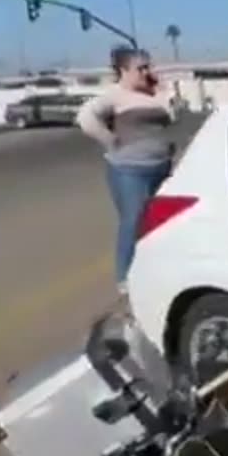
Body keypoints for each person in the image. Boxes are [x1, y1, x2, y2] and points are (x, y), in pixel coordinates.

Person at [75, 47, 174, 297]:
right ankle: (125, 277)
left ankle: (153, 269)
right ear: (124, 70)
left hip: (161, 166)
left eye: (148, 67)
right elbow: (85, 118)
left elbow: (171, 116)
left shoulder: (152, 93)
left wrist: (162, 90)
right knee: (133, 222)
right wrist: (111, 140)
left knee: (159, 222)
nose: (147, 72)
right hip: (131, 170)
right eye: (141, 68)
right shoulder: (115, 96)